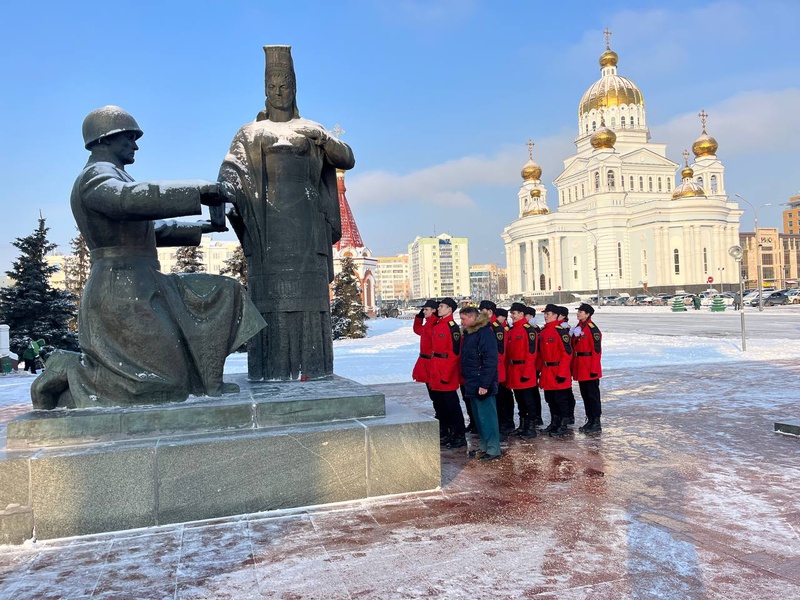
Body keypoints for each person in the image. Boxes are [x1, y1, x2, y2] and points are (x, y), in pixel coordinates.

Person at [31, 106, 265, 410]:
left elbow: (152, 229)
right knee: (158, 384)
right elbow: (127, 200)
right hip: (121, 287)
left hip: (144, 281)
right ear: (105, 139)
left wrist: (206, 226)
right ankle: (70, 371)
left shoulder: (115, 175)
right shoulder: (95, 177)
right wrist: (198, 192)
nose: (135, 145)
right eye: (129, 137)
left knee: (224, 291)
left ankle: (206, 379)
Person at [219, 45, 355, 381]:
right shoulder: (250, 133)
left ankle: (315, 368)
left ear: (294, 89)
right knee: (272, 301)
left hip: (309, 227)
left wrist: (323, 139)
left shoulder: (310, 130)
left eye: (285, 87)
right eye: (272, 87)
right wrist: (224, 192)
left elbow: (347, 159)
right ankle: (270, 370)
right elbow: (231, 172)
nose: (278, 93)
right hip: (269, 230)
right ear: (264, 90)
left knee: (310, 302)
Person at [458, 307, 501, 461]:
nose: (461, 322)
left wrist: (485, 384)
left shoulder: (484, 333)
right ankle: (484, 446)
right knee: (478, 417)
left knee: (487, 417)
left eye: (463, 319)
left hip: (481, 382)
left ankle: (493, 448)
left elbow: (490, 360)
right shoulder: (471, 333)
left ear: (472, 318)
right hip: (472, 381)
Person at [430, 298, 466, 449]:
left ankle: (459, 435)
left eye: (442, 306)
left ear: (450, 309)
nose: (439, 309)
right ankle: (449, 432)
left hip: (446, 371)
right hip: (436, 369)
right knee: (441, 405)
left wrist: (447, 375)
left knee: (452, 406)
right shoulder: (439, 324)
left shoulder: (452, 328)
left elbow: (454, 354)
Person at [536, 304, 574, 436]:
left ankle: (563, 424)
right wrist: (538, 370)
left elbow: (567, 354)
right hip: (547, 370)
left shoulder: (560, 331)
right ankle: (554, 422)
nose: (546, 316)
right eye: (545, 314)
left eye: (549, 314)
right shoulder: (544, 332)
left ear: (556, 316)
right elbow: (540, 354)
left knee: (561, 399)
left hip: (558, 370)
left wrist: (563, 373)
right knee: (550, 399)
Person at [505, 302, 539, 438]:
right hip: (514, 370)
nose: (512, 316)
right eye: (511, 313)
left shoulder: (529, 330)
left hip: (525, 370)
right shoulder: (512, 331)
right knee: (519, 400)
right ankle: (523, 425)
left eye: (513, 313)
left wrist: (526, 372)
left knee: (528, 400)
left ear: (521, 314)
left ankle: (531, 427)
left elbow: (531, 354)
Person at [413, 299, 445, 438]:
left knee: (438, 396)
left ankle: (443, 422)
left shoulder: (436, 325)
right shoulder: (428, 324)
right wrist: (419, 317)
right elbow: (417, 329)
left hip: (432, 363)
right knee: (433, 395)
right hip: (425, 362)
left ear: (433, 310)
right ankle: (440, 418)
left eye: (426, 309)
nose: (424, 311)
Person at [571, 303, 603, 432]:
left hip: (589, 367)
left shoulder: (592, 329)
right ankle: (590, 420)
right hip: (581, 366)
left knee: (592, 396)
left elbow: (596, 351)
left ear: (588, 314)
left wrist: (594, 370)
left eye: (581, 312)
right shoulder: (579, 327)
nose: (578, 313)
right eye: (578, 311)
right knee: (585, 395)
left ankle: (596, 421)